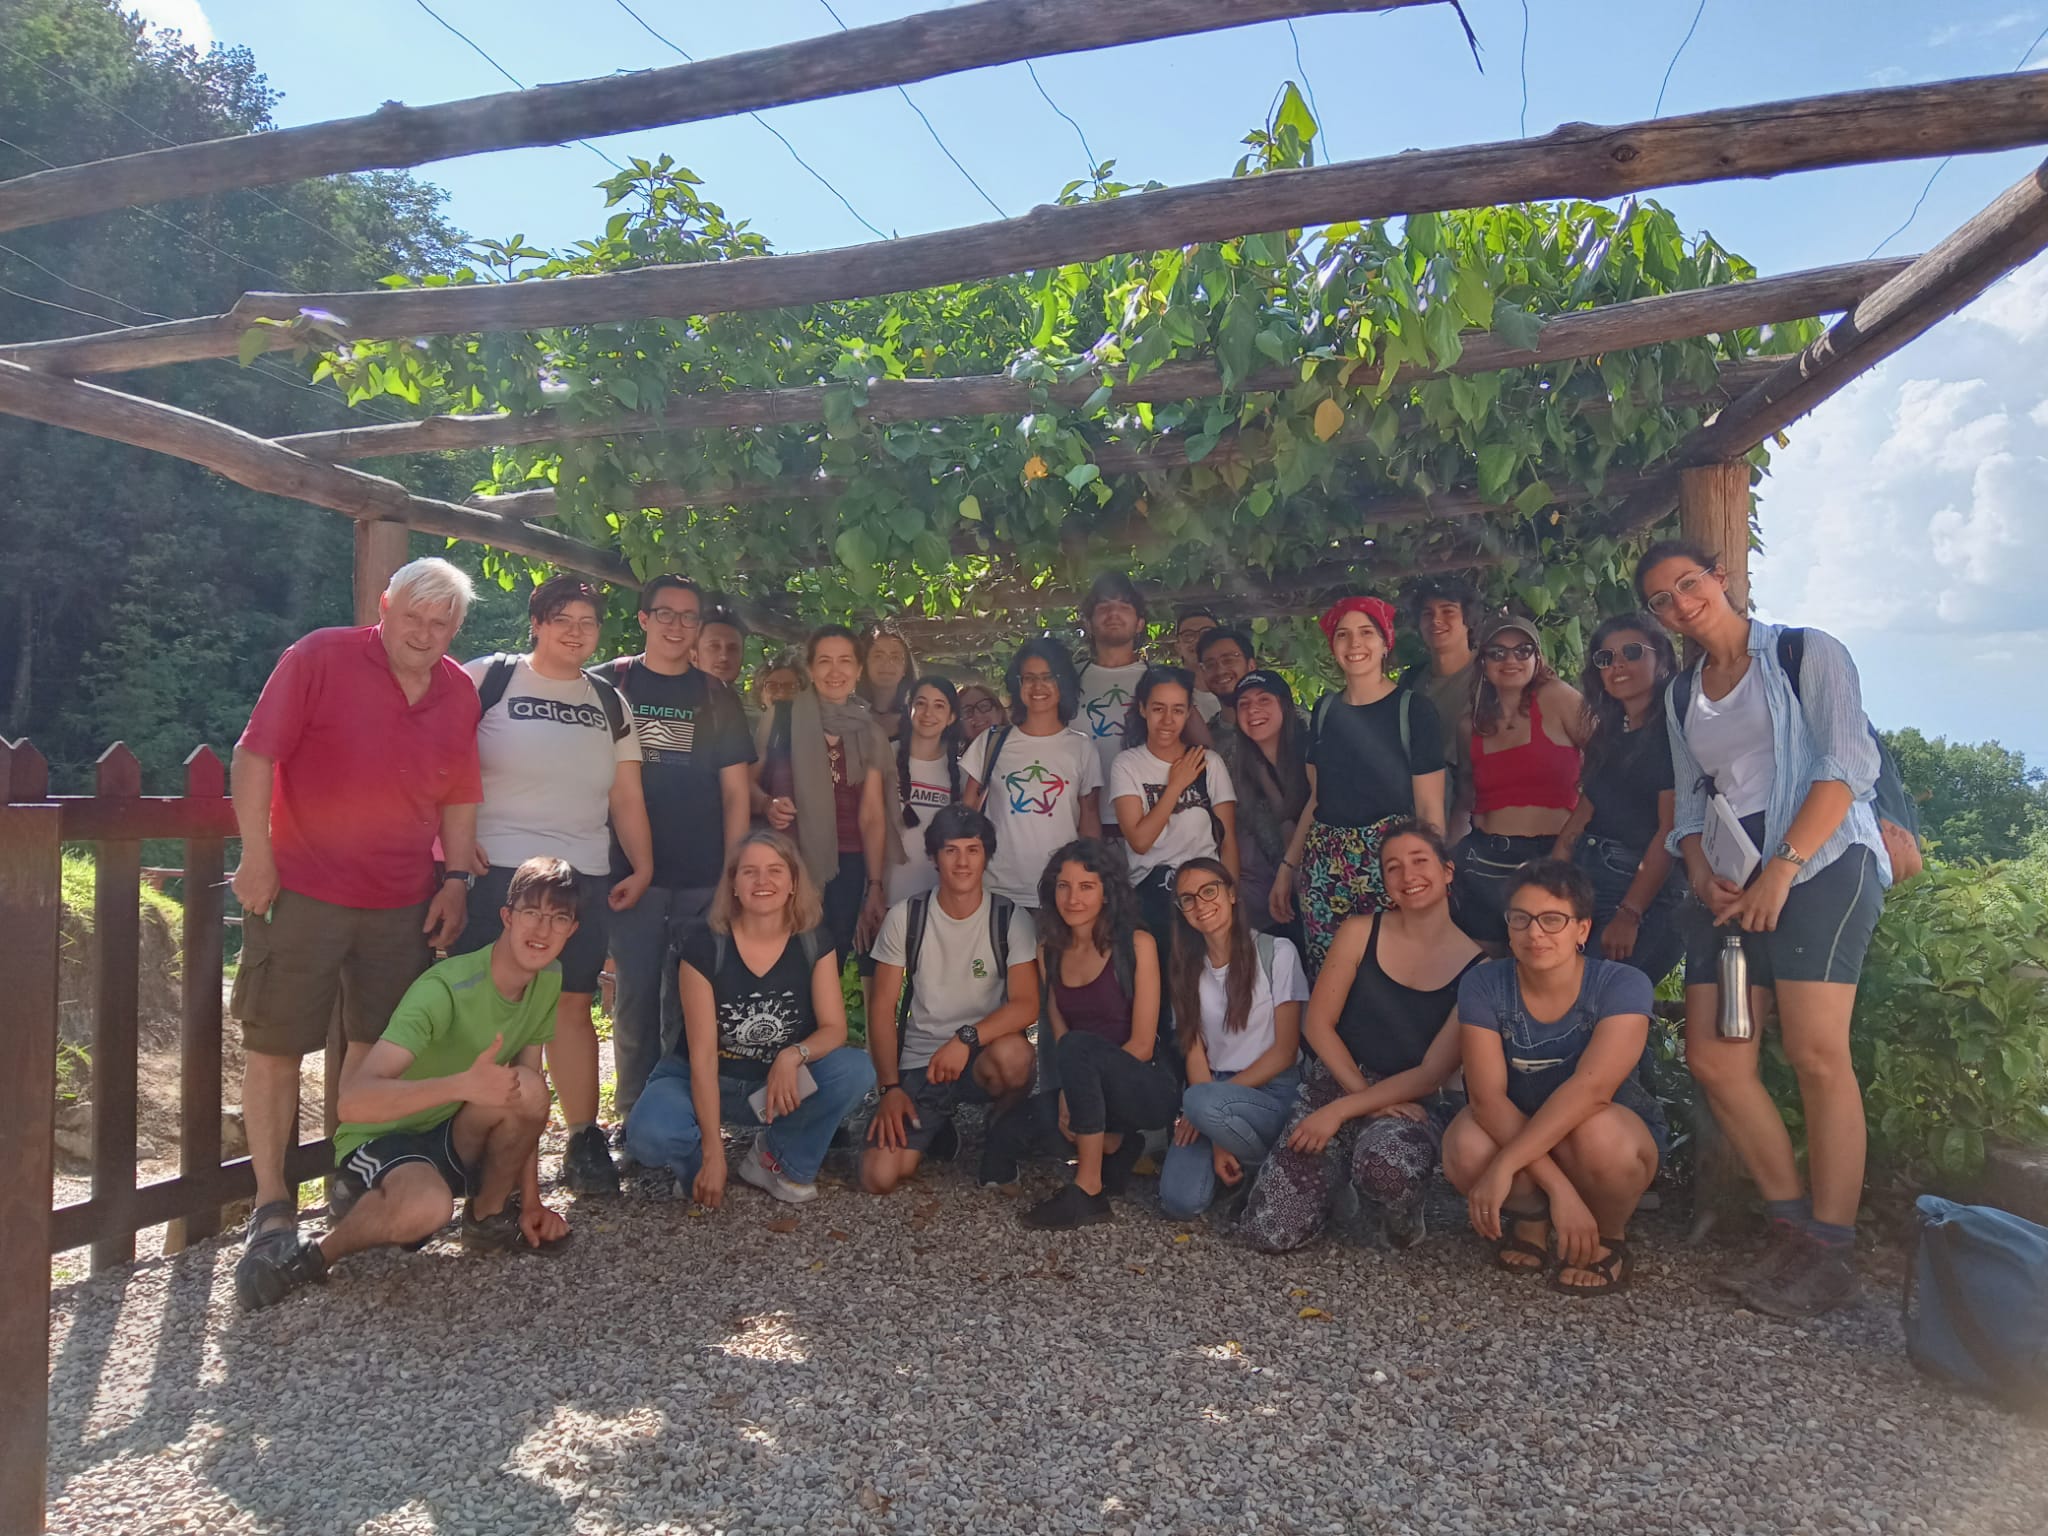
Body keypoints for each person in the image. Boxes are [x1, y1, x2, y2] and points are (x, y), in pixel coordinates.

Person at [1640, 538, 1892, 1318]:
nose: (1683, 604)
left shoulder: (1804, 653)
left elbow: (1848, 762)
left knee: (1818, 1053)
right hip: (1728, 884)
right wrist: (1697, 870)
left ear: (1721, 578)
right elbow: (1687, 801)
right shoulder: (1684, 695)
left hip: (1819, 868)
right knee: (1716, 1056)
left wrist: (1782, 867)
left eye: (1690, 584)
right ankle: (1791, 1224)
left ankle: (1832, 1244)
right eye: (1663, 599)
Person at [228, 557, 483, 1311]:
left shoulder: (457, 690)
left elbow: (463, 793)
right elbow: (254, 756)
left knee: (375, 1051)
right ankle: (271, 1204)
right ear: (386, 606)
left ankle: (352, 1178)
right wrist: (254, 856)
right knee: (276, 1047)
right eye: (416, 617)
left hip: (401, 898)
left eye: (443, 624)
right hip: (300, 887)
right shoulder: (319, 656)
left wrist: (458, 881)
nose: (427, 634)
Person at [239, 856, 582, 1309]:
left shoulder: (548, 979)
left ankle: (490, 1217)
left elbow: (530, 1093)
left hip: (452, 1133)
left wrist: (534, 1203)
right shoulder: (445, 989)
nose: (542, 929)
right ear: (507, 916)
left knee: (529, 1088)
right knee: (427, 1210)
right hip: (384, 1138)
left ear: (573, 931)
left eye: (558, 918)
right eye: (532, 913)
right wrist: (461, 1085)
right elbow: (354, 1104)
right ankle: (314, 1255)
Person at [455, 573, 654, 1198]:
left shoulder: (609, 700)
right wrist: (449, 846)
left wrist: (641, 865)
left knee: (571, 1004)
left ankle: (582, 1137)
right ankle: (490, 1140)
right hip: (500, 871)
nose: (576, 631)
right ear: (536, 622)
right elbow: (434, 757)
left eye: (588, 622)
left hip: (582, 874)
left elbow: (626, 793)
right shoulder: (488, 677)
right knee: (495, 1008)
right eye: (562, 618)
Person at [1238, 824, 1482, 1253]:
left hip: (1411, 1103)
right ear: (1384, 882)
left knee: (1386, 1168)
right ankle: (1332, 1188)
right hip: (1334, 1081)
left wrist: (1350, 1110)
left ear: (1447, 871)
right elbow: (1317, 1024)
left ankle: (1401, 1214)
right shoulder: (1359, 931)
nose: (1408, 875)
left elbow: (1431, 1073)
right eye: (1394, 867)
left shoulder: (1478, 969)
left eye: (1419, 861)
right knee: (1268, 1233)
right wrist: (1358, 1097)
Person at [1443, 860, 1665, 1296]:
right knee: (1465, 1147)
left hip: (1605, 1131)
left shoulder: (1622, 985)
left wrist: (1507, 1164)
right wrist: (1559, 1189)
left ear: (1582, 929)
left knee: (1597, 1132)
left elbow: (1593, 1091)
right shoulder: (1483, 983)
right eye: (1521, 919)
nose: (1535, 933)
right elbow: (1487, 1099)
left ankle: (1607, 1234)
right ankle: (1532, 1219)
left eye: (1552, 920)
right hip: (1517, 1124)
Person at [623, 830, 876, 1204]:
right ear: (733, 885)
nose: (763, 881)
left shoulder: (812, 941)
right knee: (648, 1135)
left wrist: (794, 1055)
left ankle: (775, 1157)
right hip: (703, 1079)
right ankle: (696, 1165)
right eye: (749, 872)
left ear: (793, 882)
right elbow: (704, 1057)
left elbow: (835, 1029)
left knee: (856, 1070)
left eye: (775, 870)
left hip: (776, 1087)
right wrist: (713, 1152)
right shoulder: (703, 945)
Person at [602, 574, 754, 1130]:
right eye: (665, 614)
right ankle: (630, 1114)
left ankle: (679, 1114)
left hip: (701, 875)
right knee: (634, 999)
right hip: (627, 874)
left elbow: (737, 792)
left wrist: (732, 875)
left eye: (688, 617)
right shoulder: (606, 685)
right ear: (643, 619)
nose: (676, 626)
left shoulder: (716, 695)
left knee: (691, 1005)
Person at [861, 805, 1042, 1194]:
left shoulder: (1008, 917)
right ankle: (939, 1126)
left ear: (987, 856)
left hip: (981, 1054)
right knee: (879, 1177)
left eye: (973, 850)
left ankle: (1001, 1129)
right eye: (951, 850)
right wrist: (889, 1089)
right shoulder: (906, 917)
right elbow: (880, 1009)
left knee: (1016, 1058)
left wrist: (965, 1038)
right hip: (921, 1062)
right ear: (933, 857)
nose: (962, 862)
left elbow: (1027, 1004)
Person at [1274, 595, 1445, 969]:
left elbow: (1430, 810)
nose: (1355, 645)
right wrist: (1289, 868)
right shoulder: (1324, 711)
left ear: (1386, 643)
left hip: (1392, 866)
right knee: (1330, 975)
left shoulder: (1413, 711)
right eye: (1343, 635)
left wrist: (1432, 883)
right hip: (1324, 869)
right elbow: (1318, 799)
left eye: (1366, 633)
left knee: (1395, 973)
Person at [1022, 840, 1178, 1230]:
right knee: (1012, 1133)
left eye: (1086, 887)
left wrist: (1082, 1097)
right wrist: (1066, 1094)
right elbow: (1058, 1028)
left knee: (1079, 1049)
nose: (1073, 898)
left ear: (1107, 892)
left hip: (1144, 1085)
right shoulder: (1050, 951)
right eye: (1064, 886)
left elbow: (1142, 1044)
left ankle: (1088, 1190)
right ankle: (1117, 1146)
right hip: (1083, 1075)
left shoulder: (1137, 945)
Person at [1157, 860, 1307, 1221]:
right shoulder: (1186, 966)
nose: (1200, 904)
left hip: (1273, 1090)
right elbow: (1194, 1051)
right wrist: (1212, 1121)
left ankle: (1269, 1165)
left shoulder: (1276, 952)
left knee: (1199, 1100)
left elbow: (1285, 1052)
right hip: (1212, 1089)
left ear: (1231, 894)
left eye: (1209, 891)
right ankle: (1241, 1163)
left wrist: (1206, 1110)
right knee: (1180, 1201)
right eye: (1187, 899)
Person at [1548, 614, 1684, 984]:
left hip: (1638, 890)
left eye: (1632, 652)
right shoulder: (1609, 736)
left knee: (1605, 1004)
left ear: (1664, 662)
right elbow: (1582, 816)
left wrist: (1630, 914)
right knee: (1567, 1000)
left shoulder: (1674, 733)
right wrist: (1551, 885)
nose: (1618, 664)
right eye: (1605, 659)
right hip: (1584, 877)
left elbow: (1669, 831)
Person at [753, 625, 900, 965]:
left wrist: (875, 885)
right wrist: (766, 803)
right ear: (810, 668)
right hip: (785, 861)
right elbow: (747, 782)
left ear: (858, 670)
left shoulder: (871, 732)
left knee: (828, 963)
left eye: (845, 661)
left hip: (845, 869)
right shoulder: (782, 716)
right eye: (825, 661)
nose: (836, 671)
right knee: (780, 962)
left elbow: (873, 815)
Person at [1453, 613, 1587, 947]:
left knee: (1548, 962)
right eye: (1497, 652)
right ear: (1482, 661)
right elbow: (1464, 797)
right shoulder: (1470, 724)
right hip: (1485, 861)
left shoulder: (1558, 698)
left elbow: (1610, 767)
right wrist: (1445, 855)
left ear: (1537, 658)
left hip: (1552, 855)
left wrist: (1568, 845)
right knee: (1486, 969)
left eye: (1522, 650)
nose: (1510, 659)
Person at [963, 638, 1103, 907]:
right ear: (1018, 684)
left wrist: (1089, 880)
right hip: (996, 890)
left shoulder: (1082, 748)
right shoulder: (990, 742)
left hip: (1060, 892)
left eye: (1048, 677)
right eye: (1029, 678)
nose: (1038, 686)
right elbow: (966, 815)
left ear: (1064, 683)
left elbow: (1089, 821)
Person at [1110, 665, 1239, 950]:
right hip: (1154, 902)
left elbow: (1227, 840)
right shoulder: (1127, 765)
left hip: (1207, 897)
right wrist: (1176, 786)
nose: (1168, 720)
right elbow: (1140, 841)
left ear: (1189, 712)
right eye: (1158, 709)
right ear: (1142, 709)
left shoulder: (1209, 763)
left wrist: (1233, 898)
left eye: (1178, 710)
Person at [1220, 669, 1312, 941]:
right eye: (1244, 704)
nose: (1253, 710)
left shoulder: (1312, 750)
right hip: (1280, 895)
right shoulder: (1241, 767)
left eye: (1264, 700)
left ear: (1284, 705)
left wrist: (1289, 869)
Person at [1406, 576, 1482, 840]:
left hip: (1477, 808)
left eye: (1448, 611)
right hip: (1416, 804)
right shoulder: (1410, 680)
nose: (1436, 620)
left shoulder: (1491, 674)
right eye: (1428, 614)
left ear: (1468, 622)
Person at [888, 677, 967, 906]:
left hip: (937, 900)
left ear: (952, 717)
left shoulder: (960, 773)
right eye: (921, 703)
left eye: (939, 706)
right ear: (909, 708)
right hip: (887, 896)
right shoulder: (885, 756)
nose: (928, 713)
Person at [1075, 572, 1151, 786]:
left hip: (1148, 814)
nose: (1114, 613)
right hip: (1077, 813)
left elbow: (1201, 748)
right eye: (1103, 607)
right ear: (1088, 624)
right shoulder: (1067, 680)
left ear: (1139, 624)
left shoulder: (1160, 679)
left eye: (1125, 606)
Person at [1194, 625, 1256, 739]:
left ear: (1251, 666)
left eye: (1229, 660)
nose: (1220, 671)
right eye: (1210, 665)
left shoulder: (1289, 724)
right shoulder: (1205, 740)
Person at [1170, 605, 1226, 723]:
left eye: (1206, 633)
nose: (1198, 640)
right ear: (1178, 647)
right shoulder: (1167, 693)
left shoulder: (1241, 691)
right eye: (1188, 635)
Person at [861, 625, 917, 741]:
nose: (887, 664)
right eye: (878, 656)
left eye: (895, 657)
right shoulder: (848, 716)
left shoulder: (919, 719)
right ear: (865, 663)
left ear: (905, 668)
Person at [696, 599, 748, 692]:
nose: (724, 656)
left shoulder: (733, 704)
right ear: (693, 655)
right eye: (714, 646)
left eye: (733, 648)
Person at [751, 652, 802, 732]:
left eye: (790, 686)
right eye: (772, 686)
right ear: (761, 694)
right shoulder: (748, 733)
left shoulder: (815, 731)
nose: (781, 693)